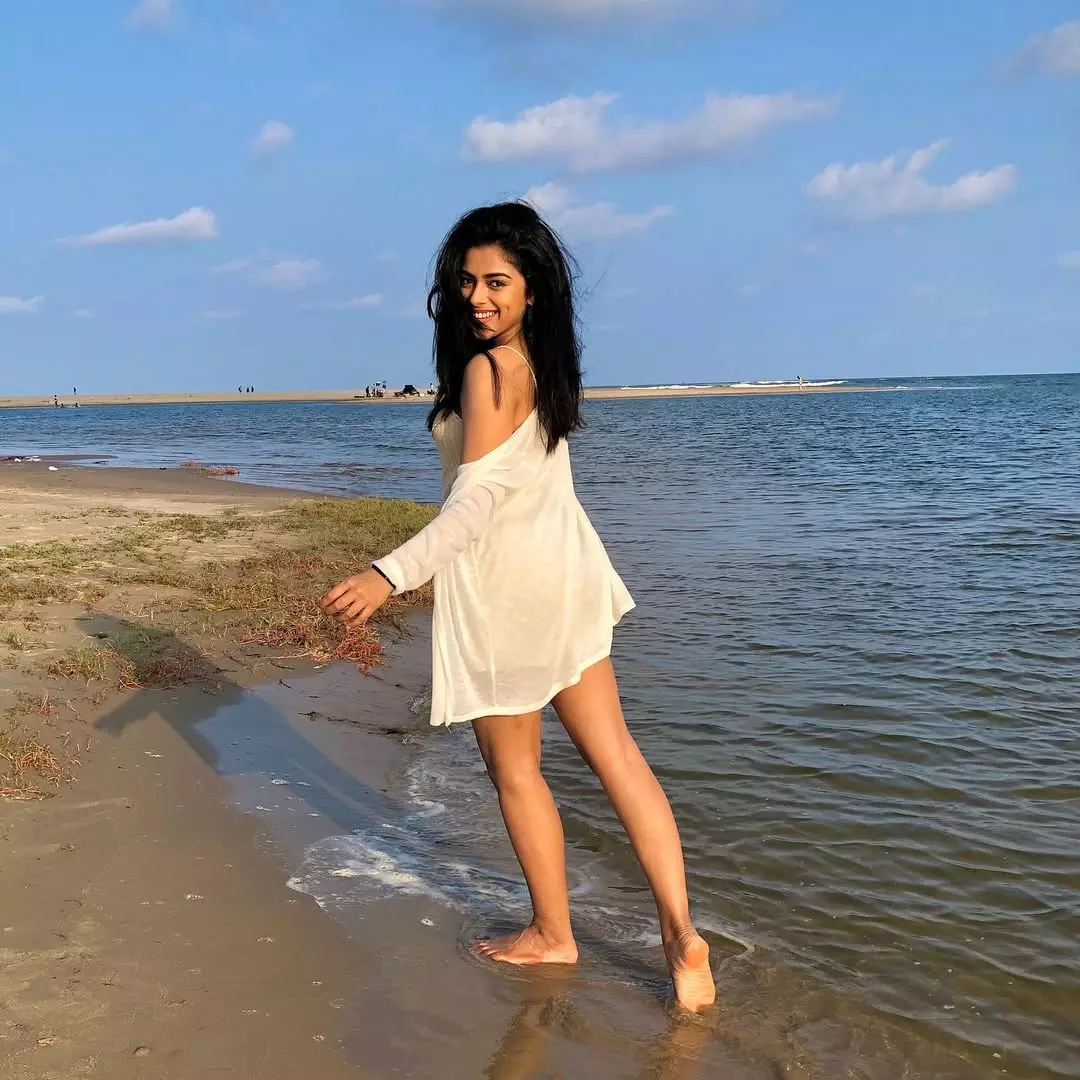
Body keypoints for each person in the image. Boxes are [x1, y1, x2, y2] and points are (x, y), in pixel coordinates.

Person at [319, 202, 715, 1012]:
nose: (478, 297)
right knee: (619, 758)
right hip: (567, 582)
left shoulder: (490, 370)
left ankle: (553, 933)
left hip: (509, 597)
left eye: (497, 282)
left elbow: (474, 507)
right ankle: (682, 934)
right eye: (467, 282)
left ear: (533, 286)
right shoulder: (541, 363)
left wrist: (391, 573)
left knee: (516, 772)